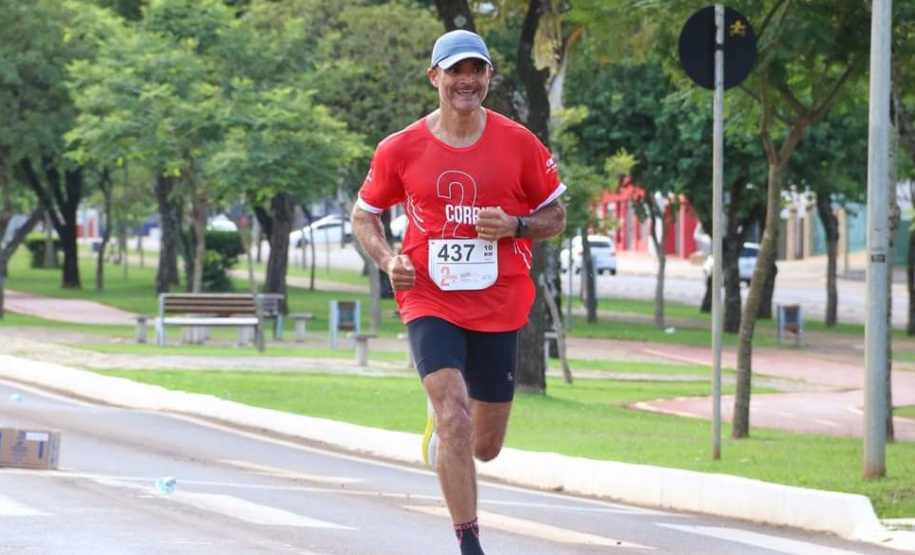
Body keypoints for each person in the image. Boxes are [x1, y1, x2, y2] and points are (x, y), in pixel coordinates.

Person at [351, 29, 566, 555]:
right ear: (435, 78)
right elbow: (365, 213)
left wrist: (515, 225)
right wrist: (388, 260)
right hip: (428, 295)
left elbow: (556, 215)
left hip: (499, 301)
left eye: (476, 71)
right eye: (455, 71)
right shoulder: (399, 148)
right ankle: (469, 542)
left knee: (485, 446)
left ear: (489, 77)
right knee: (454, 416)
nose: (466, 81)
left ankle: (448, 430)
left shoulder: (520, 143)